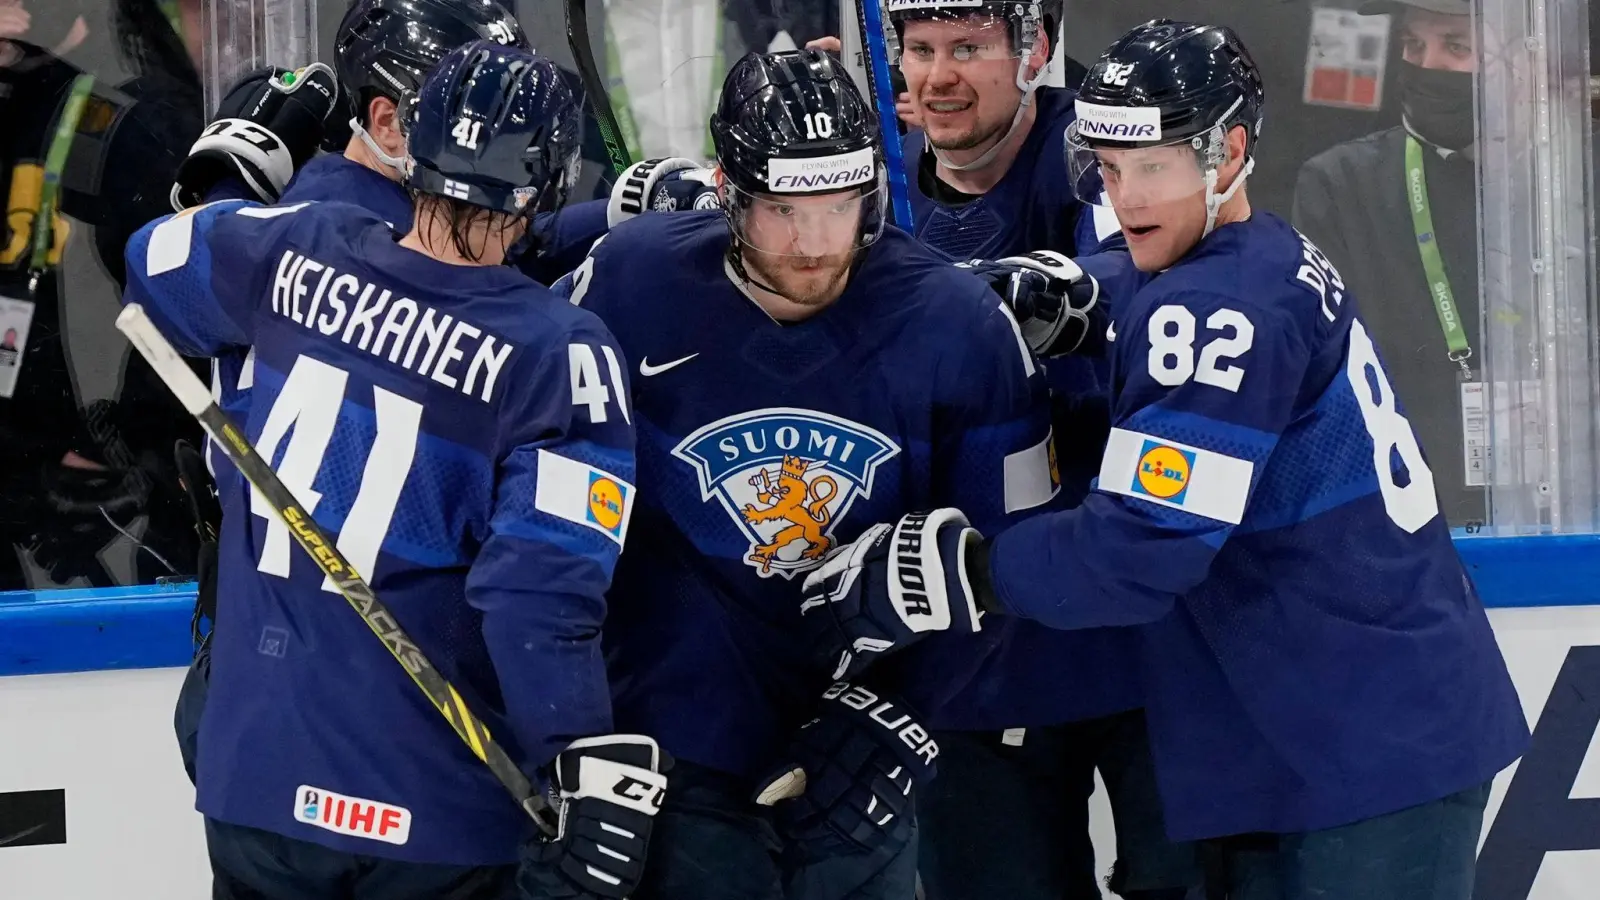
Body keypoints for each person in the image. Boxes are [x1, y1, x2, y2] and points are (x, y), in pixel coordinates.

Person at [797, 19, 1529, 900]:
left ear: (1229, 152)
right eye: (1110, 169)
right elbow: (1136, 286)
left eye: (1155, 168)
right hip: (1347, 726)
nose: (1130, 195)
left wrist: (962, 572)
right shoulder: (1260, 253)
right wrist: (1074, 293)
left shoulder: (1220, 310)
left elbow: (1139, 549)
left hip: (1359, 753)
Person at [121, 41, 667, 900]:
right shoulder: (558, 353)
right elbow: (538, 597)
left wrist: (234, 174)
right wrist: (577, 757)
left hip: (258, 774)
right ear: (547, 183)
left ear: (412, 145)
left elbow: (152, 268)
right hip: (435, 801)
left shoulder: (293, 243)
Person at [554, 48, 1058, 900]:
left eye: (839, 207)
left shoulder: (960, 323)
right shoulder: (630, 280)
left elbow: (1014, 554)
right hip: (680, 728)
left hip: (864, 730)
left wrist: (911, 715)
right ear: (728, 190)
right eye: (784, 210)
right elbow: (544, 486)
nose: (816, 244)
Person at [821, 3, 1189, 896]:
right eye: (920, 50)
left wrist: (1058, 302)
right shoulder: (871, 186)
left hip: (1142, 639)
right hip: (971, 656)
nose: (939, 75)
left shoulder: (1092, 153)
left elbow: (1147, 278)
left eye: (970, 48)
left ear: (1036, 52)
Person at [1292, 0, 1487, 528]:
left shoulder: (1569, 179)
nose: (1428, 65)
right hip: (1408, 497)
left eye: (1457, 47)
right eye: (1414, 45)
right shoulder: (1339, 185)